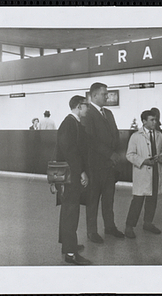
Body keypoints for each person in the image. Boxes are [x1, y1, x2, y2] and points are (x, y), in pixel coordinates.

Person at [84, 82, 124, 244]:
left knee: (109, 199)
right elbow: (90, 140)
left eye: (107, 94)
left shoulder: (108, 113)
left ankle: (110, 227)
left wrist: (115, 153)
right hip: (95, 166)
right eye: (104, 94)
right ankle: (91, 232)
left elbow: (114, 134)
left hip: (109, 166)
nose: (107, 96)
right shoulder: (87, 113)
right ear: (93, 96)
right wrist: (110, 154)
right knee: (93, 200)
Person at [56, 95, 91, 265]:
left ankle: (68, 246)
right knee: (71, 213)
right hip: (71, 176)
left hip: (70, 175)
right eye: (86, 106)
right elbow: (70, 152)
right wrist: (81, 172)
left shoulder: (73, 123)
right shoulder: (70, 123)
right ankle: (71, 253)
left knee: (68, 211)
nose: (88, 109)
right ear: (78, 106)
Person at [125, 110, 162, 238]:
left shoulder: (159, 135)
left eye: (155, 119)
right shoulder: (136, 136)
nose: (155, 122)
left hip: (156, 172)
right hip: (142, 172)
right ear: (144, 121)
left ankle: (148, 223)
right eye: (151, 120)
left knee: (152, 199)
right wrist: (143, 161)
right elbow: (129, 155)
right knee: (137, 200)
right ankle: (129, 226)